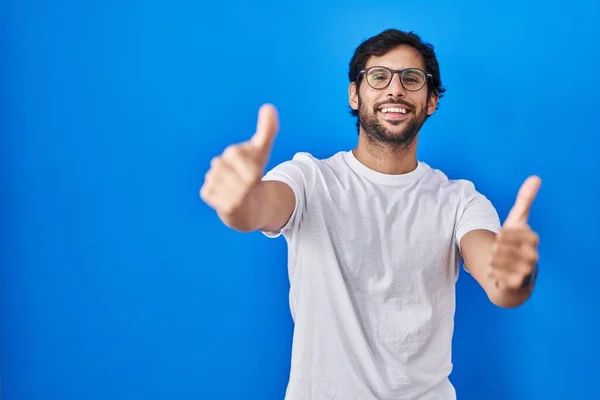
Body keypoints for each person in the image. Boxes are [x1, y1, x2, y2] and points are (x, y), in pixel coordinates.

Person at [200, 28, 541, 400]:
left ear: (431, 101)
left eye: (412, 79)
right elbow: (258, 208)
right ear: (355, 93)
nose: (395, 90)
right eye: (379, 77)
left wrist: (514, 276)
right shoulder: (310, 178)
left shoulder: (460, 200)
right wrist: (238, 203)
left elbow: (500, 283)